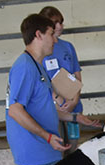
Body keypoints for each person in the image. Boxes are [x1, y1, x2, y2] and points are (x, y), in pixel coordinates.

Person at [5, 14, 99, 165]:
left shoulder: (36, 65)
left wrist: (75, 117)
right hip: (36, 151)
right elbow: (15, 110)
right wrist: (46, 136)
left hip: (43, 149)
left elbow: (42, 107)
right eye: (50, 34)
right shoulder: (25, 67)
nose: (55, 41)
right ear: (38, 35)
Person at [39, 6, 83, 153]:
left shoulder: (68, 47)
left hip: (72, 106)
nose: (59, 26)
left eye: (61, 22)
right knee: (57, 149)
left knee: (72, 146)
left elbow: (77, 74)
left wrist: (74, 100)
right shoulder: (41, 50)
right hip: (53, 109)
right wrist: (56, 100)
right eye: (54, 23)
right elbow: (41, 80)